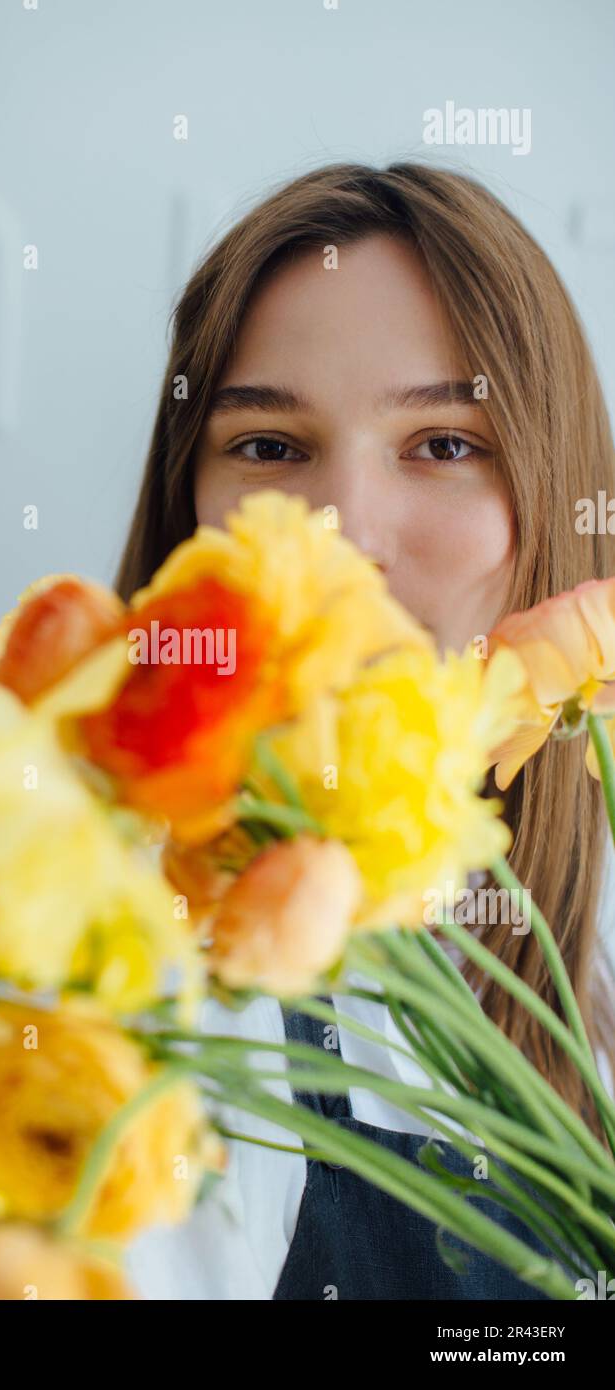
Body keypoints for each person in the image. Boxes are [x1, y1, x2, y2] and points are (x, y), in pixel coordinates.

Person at [112, 162, 615, 1300]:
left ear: (553, 491)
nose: (344, 539)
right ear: (187, 514)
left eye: (441, 443)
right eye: (269, 448)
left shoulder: (582, 955)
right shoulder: (122, 969)